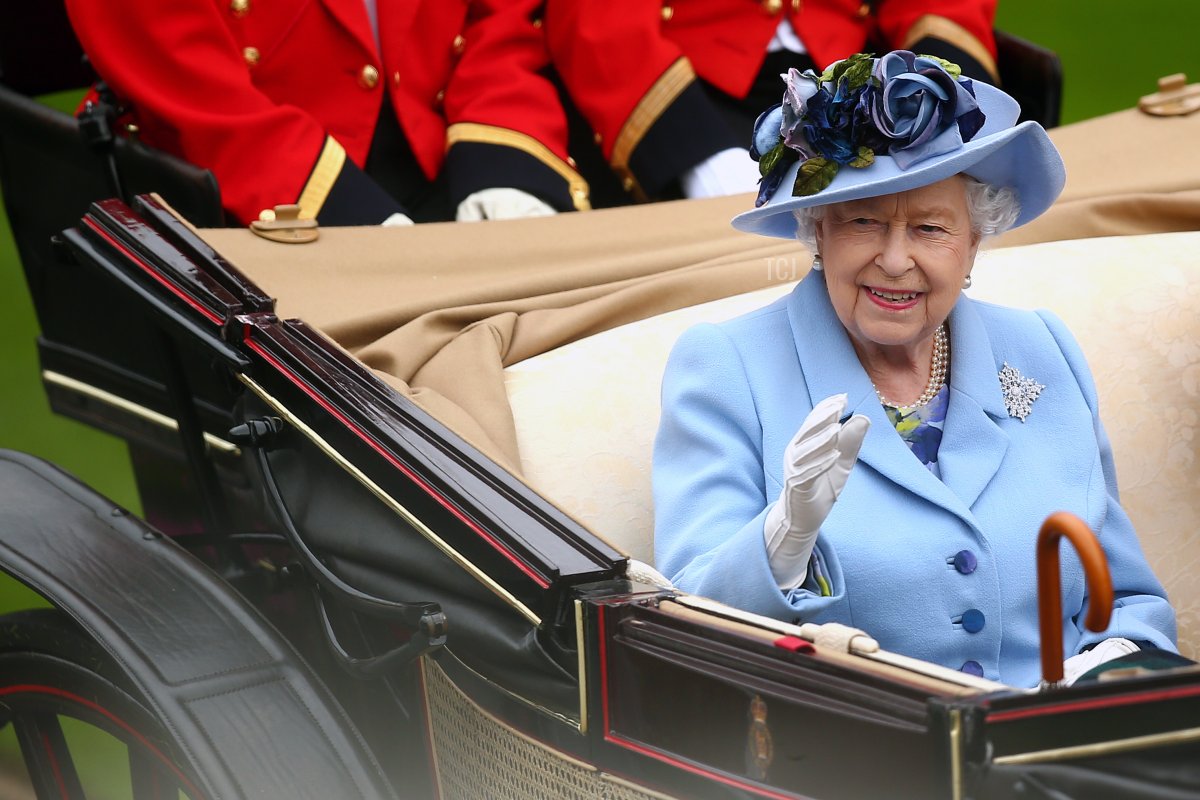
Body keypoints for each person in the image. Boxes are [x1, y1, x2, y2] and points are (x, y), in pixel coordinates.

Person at [652, 51, 1178, 688]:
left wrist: (1109, 677)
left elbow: (1125, 600)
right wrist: (781, 541)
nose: (895, 260)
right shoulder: (727, 368)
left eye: (930, 228)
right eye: (864, 222)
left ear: (975, 242)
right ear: (817, 231)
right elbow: (684, 633)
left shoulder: (1041, 347)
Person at [64, 0, 590, 227]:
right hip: (240, 202)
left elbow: (493, 20)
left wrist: (506, 157)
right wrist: (353, 217)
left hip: (448, 152)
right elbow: (172, 59)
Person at [544, 0, 997, 206]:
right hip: (690, 88)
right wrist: (697, 155)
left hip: (860, 78)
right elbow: (599, 14)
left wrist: (934, 104)